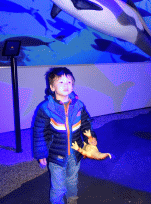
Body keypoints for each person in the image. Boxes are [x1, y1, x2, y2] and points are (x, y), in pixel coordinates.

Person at [33, 67, 97, 204]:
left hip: (75, 152)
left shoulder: (79, 105)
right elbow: (39, 132)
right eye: (61, 82)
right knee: (58, 186)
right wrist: (41, 153)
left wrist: (90, 137)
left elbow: (86, 123)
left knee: (72, 179)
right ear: (52, 87)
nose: (66, 85)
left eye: (69, 82)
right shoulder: (46, 108)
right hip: (56, 154)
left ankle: (72, 198)